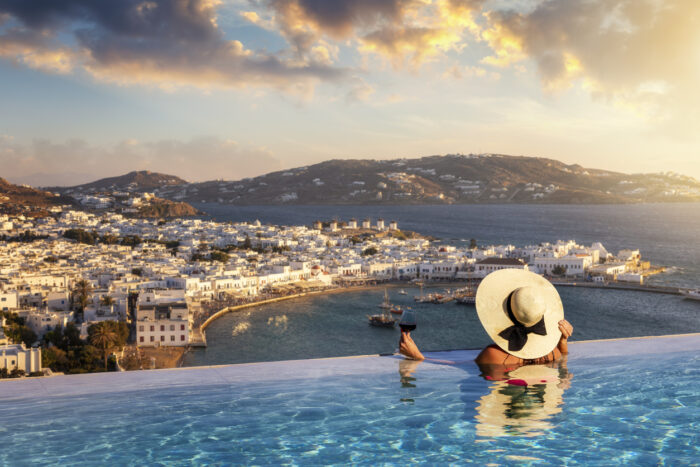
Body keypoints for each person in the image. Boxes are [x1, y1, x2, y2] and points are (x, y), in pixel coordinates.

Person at [399, 269, 573, 365]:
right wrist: (562, 342)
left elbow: (455, 368)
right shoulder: (553, 352)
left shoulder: (494, 355)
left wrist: (418, 357)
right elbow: (563, 360)